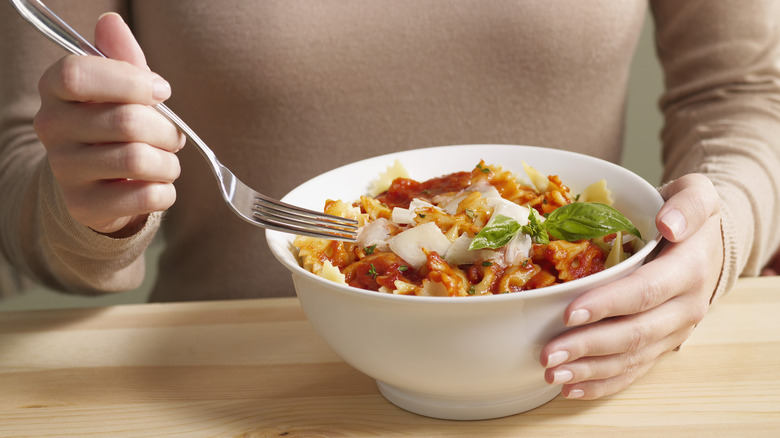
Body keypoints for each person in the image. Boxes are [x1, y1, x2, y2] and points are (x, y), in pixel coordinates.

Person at [1, 1, 779, 401]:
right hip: (221, 387)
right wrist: (94, 203)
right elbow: (21, 168)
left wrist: (714, 236)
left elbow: (745, 90)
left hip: (569, 379)